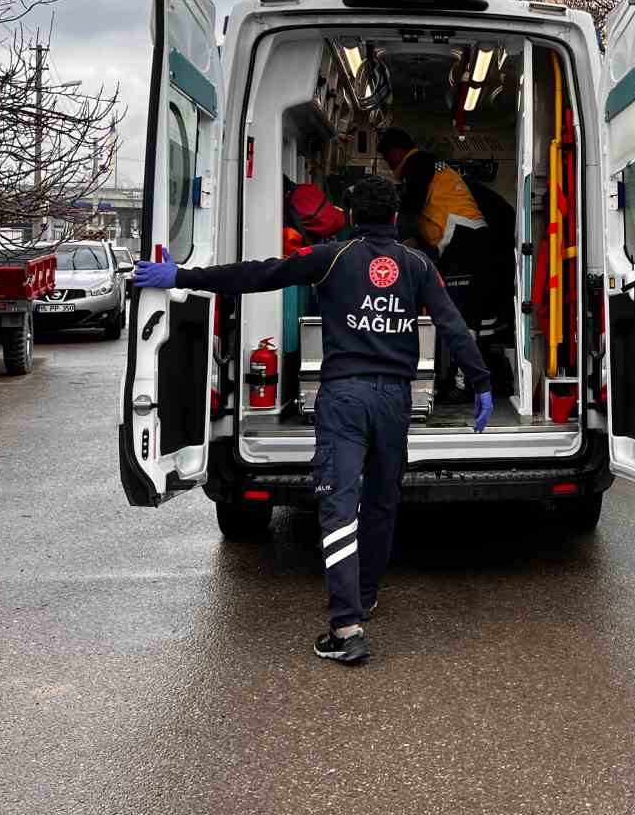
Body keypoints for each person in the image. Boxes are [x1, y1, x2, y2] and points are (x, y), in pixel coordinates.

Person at [133, 174, 493, 667]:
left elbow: (259, 274)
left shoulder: (332, 257)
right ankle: (364, 595)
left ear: (351, 214)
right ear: (394, 217)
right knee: (383, 500)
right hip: (394, 400)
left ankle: (347, 627)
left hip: (344, 396)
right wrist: (482, 383)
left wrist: (182, 277)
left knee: (339, 504)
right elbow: (451, 324)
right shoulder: (417, 264)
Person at [378, 127, 495, 399]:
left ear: (397, 151)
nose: (388, 162)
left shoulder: (417, 163)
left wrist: (396, 240)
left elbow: (411, 207)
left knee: (459, 313)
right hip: (465, 240)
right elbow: (427, 217)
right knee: (459, 311)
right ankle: (456, 380)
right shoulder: (428, 166)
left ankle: (464, 384)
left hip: (463, 240)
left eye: (387, 156)